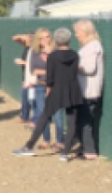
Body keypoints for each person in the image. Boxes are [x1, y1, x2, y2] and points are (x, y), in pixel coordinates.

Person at [13, 28, 85, 161]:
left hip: (57, 90)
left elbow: (50, 78)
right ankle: (65, 153)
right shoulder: (75, 55)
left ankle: (29, 147)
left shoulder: (53, 56)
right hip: (73, 90)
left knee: (44, 117)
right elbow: (74, 72)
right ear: (69, 40)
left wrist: (48, 90)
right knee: (71, 121)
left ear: (56, 40)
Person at [27, 28, 65, 150]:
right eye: (42, 37)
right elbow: (33, 70)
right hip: (40, 85)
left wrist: (50, 55)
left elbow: (60, 69)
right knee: (43, 113)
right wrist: (49, 71)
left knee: (57, 115)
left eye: (47, 36)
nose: (45, 40)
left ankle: (60, 141)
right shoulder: (35, 52)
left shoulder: (56, 51)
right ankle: (46, 140)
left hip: (55, 86)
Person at [74, 19, 105, 160]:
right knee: (82, 121)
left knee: (85, 122)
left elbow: (90, 68)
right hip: (84, 90)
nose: (76, 35)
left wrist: (73, 67)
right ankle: (85, 148)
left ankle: (89, 151)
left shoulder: (93, 47)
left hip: (89, 91)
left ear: (85, 32)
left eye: (78, 32)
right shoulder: (89, 46)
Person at [12, 33, 34, 124]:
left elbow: (35, 63)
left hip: (33, 78)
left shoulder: (35, 49)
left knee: (31, 99)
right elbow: (14, 38)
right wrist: (23, 36)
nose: (25, 39)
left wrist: (23, 62)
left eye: (28, 38)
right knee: (24, 97)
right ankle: (24, 116)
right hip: (25, 77)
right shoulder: (27, 46)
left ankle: (34, 118)